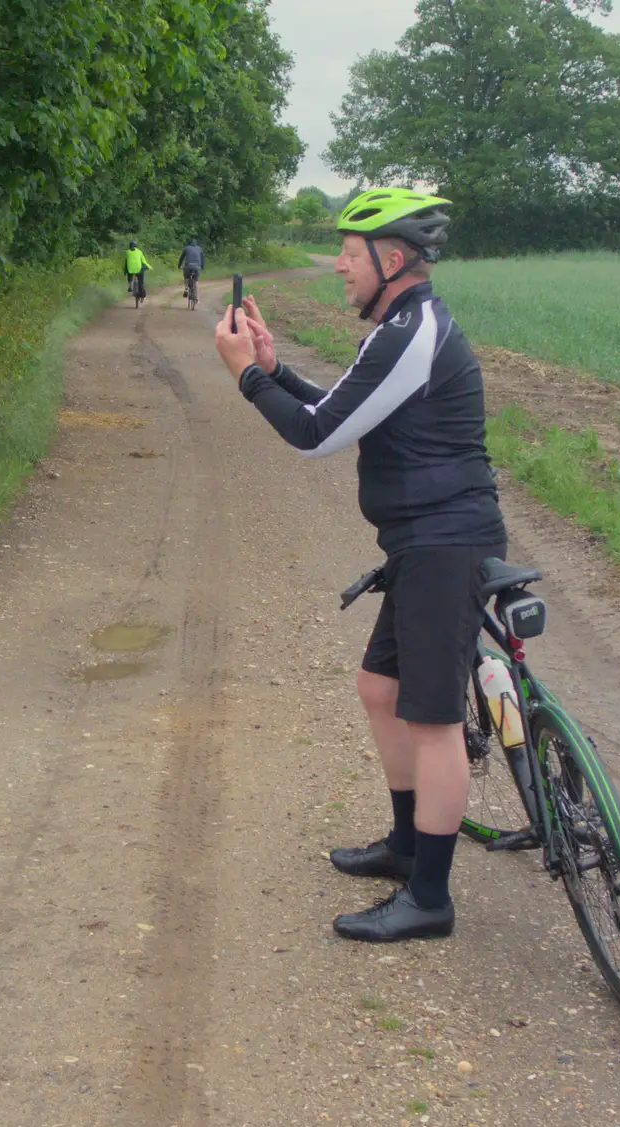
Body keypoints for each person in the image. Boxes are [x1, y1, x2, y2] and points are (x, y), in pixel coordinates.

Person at [213, 189, 506, 943]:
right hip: (417, 543)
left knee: (433, 719)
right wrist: (274, 370)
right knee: (381, 688)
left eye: (350, 250)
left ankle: (431, 896)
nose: (339, 262)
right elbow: (346, 408)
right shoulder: (397, 330)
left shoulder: (414, 330)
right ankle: (407, 844)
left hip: (447, 542)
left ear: (394, 258)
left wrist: (248, 378)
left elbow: (315, 436)